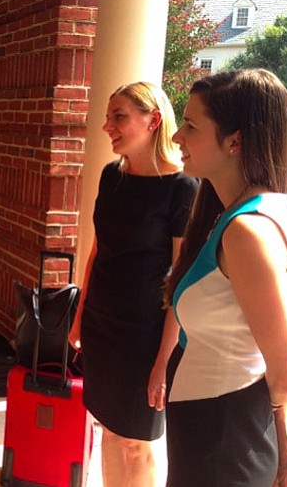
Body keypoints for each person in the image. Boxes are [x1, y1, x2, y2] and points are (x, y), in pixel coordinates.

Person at [164, 69, 287, 486]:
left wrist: (284, 435)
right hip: (213, 436)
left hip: (223, 446)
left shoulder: (247, 231)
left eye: (190, 125)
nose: (176, 137)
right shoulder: (252, 213)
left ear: (235, 141)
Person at [68, 82, 198, 486]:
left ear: (153, 120)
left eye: (119, 116)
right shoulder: (112, 176)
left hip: (145, 336)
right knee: (108, 427)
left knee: (136, 442)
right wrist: (78, 317)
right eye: (109, 117)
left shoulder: (182, 187)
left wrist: (164, 360)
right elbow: (96, 252)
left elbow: (181, 280)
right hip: (102, 325)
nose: (107, 126)